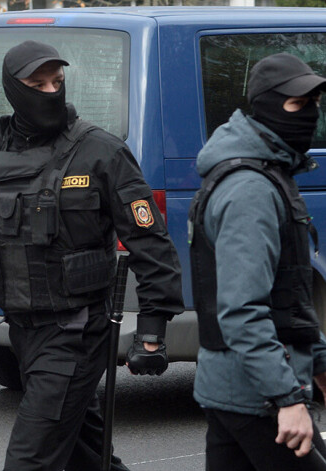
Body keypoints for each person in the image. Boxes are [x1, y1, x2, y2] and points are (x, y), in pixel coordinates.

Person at [0, 40, 184, 471]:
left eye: (56, 82)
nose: (49, 91)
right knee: (87, 453)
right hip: (24, 328)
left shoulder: (101, 151)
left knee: (29, 459)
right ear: (13, 89)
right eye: (36, 83)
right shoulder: (0, 149)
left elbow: (151, 244)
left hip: (76, 332)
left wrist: (152, 331)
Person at [189, 52, 326, 470]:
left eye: (315, 105)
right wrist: (287, 399)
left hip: (231, 387)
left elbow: (290, 296)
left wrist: (318, 363)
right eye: (296, 104)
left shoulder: (264, 174)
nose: (310, 114)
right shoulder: (251, 190)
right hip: (257, 395)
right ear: (265, 107)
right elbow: (242, 309)